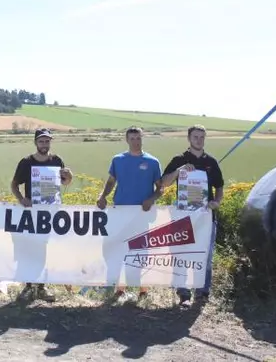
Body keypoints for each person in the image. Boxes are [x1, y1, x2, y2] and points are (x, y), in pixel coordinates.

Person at [96, 126, 162, 300]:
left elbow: (160, 189)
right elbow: (111, 182)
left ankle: (143, 291)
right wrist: (102, 196)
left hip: (142, 215)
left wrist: (151, 199)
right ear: (127, 140)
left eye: (138, 138)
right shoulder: (118, 160)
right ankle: (120, 289)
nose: (135, 141)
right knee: (120, 251)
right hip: (120, 213)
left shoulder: (153, 162)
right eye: (132, 138)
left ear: (142, 138)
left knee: (142, 253)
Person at [161, 124, 224, 305]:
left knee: (205, 255)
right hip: (183, 216)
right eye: (195, 137)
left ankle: (202, 293)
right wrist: (178, 171)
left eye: (202, 137)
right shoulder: (179, 159)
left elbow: (219, 187)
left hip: (206, 217)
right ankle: (184, 295)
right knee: (181, 254)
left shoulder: (211, 162)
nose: (199, 140)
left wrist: (217, 202)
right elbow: (164, 183)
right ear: (189, 138)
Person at [10, 128, 73, 302]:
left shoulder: (57, 160)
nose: (44, 144)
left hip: (49, 212)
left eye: (47, 141)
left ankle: (42, 287)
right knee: (29, 248)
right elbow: (14, 185)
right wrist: (22, 199)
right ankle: (29, 287)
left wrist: (69, 176)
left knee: (43, 249)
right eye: (41, 141)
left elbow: (65, 182)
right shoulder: (26, 162)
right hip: (30, 213)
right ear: (35, 142)